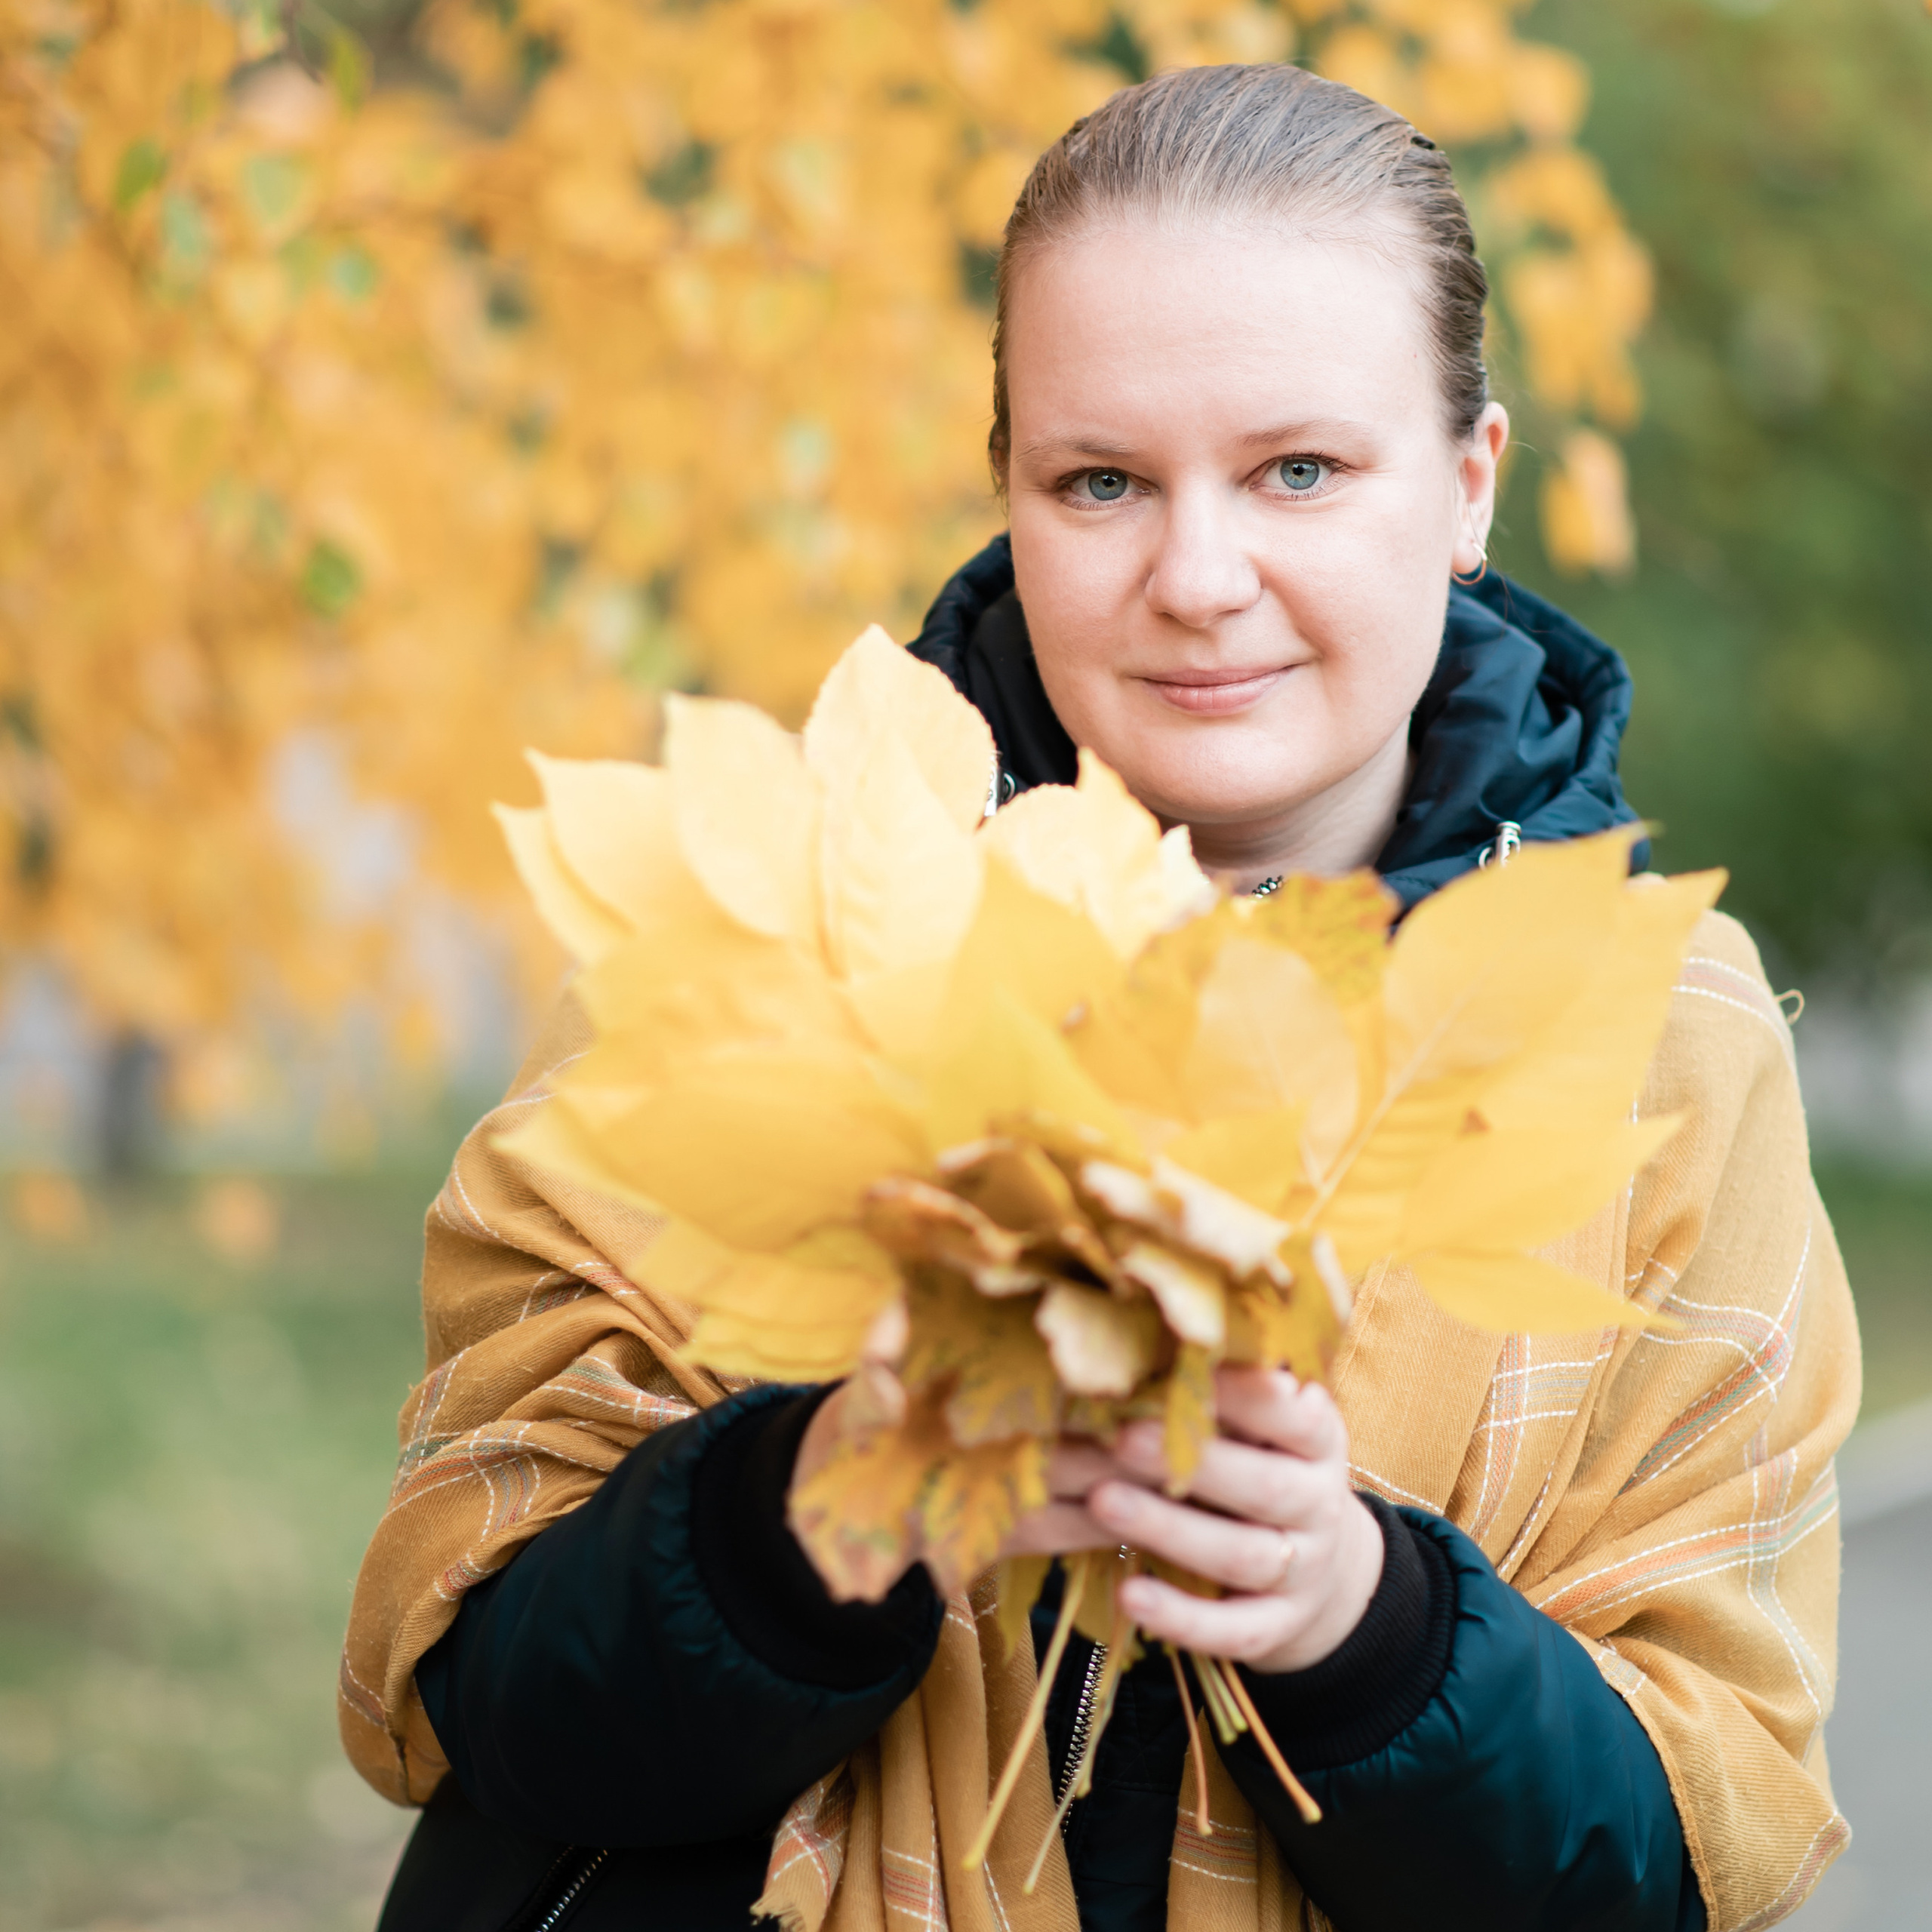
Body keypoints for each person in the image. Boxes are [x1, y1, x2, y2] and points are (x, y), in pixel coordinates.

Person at [343, 63, 1857, 1932]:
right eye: (1101, 480)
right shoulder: (769, 928)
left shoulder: (1663, 1039)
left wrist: (1361, 1627)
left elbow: (1696, 1842)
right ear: (1009, 485)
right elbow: (467, 1695)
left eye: (1296, 467)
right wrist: (809, 1512)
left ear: (1465, 485)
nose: (1195, 577)